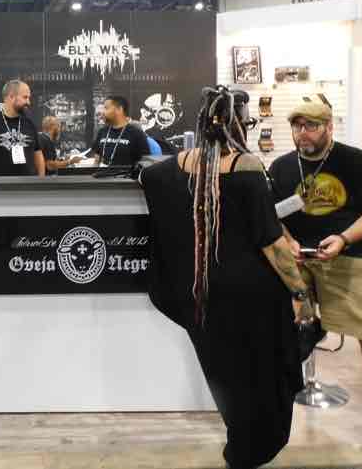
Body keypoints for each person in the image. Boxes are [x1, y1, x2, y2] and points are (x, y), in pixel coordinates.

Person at [141, 86, 306, 469]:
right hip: (252, 297)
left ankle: (239, 443)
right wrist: (300, 292)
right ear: (237, 124)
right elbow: (271, 243)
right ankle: (250, 450)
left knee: (225, 375)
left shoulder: (163, 172)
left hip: (199, 296)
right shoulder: (246, 167)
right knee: (259, 377)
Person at [269, 101, 362, 454]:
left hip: (359, 255)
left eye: (312, 126)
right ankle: (310, 326)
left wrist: (344, 238)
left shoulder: (355, 161)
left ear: (329, 127)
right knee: (277, 308)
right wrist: (289, 240)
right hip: (304, 258)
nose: (303, 133)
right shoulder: (282, 167)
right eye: (298, 126)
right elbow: (273, 216)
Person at [92, 95, 150, 167]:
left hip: (126, 174)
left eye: (106, 108)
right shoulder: (102, 131)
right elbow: (96, 161)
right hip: (103, 172)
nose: (103, 112)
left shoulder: (136, 134)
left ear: (119, 109)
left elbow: (145, 162)